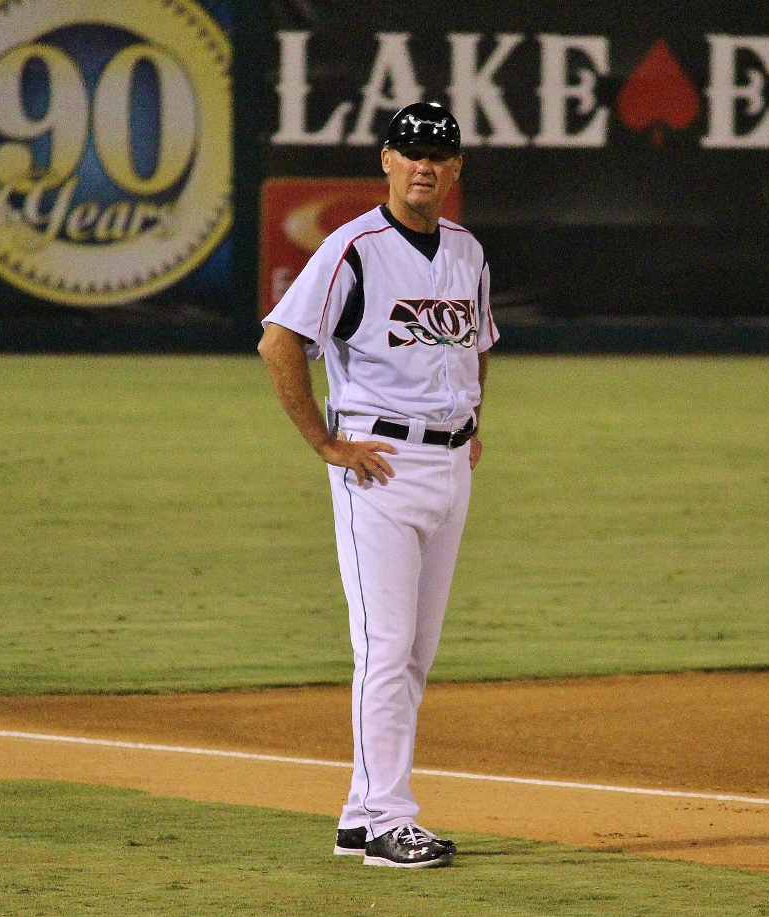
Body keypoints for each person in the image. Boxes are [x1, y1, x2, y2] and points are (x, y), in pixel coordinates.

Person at [257, 101, 498, 868]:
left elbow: (476, 346)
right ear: (387, 162)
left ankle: (362, 814)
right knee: (386, 647)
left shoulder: (466, 250)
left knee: (415, 651)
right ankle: (392, 819)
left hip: (450, 464)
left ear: (456, 168)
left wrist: (471, 419)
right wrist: (325, 441)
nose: (425, 163)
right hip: (380, 467)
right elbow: (279, 340)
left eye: (440, 152)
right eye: (410, 150)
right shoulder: (352, 247)